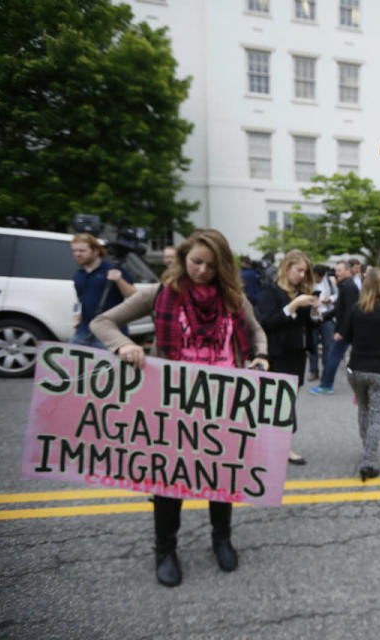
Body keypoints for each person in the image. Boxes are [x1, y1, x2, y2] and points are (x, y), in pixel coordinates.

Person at [90, 229, 269, 588]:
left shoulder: (234, 298)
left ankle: (221, 539)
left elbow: (256, 333)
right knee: (169, 482)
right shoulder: (160, 294)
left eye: (211, 265)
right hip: (171, 406)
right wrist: (124, 346)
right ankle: (165, 549)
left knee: (222, 477)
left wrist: (261, 356)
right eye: (196, 262)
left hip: (223, 405)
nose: (202, 270)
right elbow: (102, 322)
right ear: (183, 259)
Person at [337, 268, 380, 481]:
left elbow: (344, 336)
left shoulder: (356, 309)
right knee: (376, 415)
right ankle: (369, 460)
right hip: (379, 370)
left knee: (364, 410)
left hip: (356, 369)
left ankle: (368, 449)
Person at [255, 249, 317, 465]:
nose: (302, 276)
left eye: (305, 272)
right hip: (277, 355)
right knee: (275, 403)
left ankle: (280, 446)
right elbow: (267, 322)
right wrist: (294, 305)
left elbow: (310, 325)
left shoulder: (298, 293)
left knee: (287, 403)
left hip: (297, 355)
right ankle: (278, 448)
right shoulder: (269, 291)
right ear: (286, 268)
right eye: (299, 270)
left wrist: (317, 310)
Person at [70, 233, 136, 349]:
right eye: (74, 251)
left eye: (82, 251)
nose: (77, 254)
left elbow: (132, 294)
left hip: (110, 332)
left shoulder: (113, 269)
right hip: (83, 331)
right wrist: (76, 319)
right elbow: (79, 301)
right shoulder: (78, 275)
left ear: (95, 251)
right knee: (71, 363)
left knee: (108, 367)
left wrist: (119, 280)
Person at [309, 261, 359, 395]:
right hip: (345, 329)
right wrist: (324, 317)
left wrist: (342, 332)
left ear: (348, 271)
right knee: (337, 356)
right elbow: (338, 309)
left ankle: (326, 385)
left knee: (333, 356)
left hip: (345, 331)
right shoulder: (345, 286)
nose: (337, 273)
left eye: (340, 270)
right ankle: (327, 384)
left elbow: (350, 311)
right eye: (336, 271)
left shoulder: (348, 287)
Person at [308, 265, 338, 382]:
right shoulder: (309, 282)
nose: (317, 279)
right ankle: (313, 370)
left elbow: (336, 295)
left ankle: (326, 371)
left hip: (326, 315)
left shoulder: (330, 281)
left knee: (328, 345)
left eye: (319, 277)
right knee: (313, 345)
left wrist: (329, 299)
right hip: (313, 315)